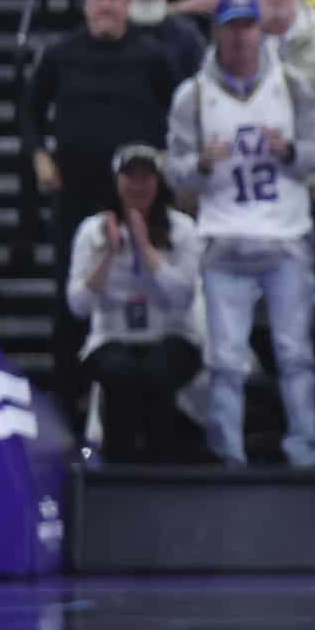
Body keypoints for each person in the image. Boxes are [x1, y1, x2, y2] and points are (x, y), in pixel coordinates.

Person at [165, 0, 315, 468]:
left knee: (294, 354)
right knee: (225, 360)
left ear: (260, 30)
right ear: (216, 31)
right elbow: (175, 173)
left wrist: (290, 153)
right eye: (231, 26)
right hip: (223, 239)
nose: (239, 37)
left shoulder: (294, 85)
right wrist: (200, 163)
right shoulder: (193, 96)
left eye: (247, 26)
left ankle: (304, 451)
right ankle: (228, 456)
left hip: (285, 237)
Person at [28, 0, 183, 413]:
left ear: (128, 1)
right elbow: (31, 109)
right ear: (85, 3)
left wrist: (172, 162)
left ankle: (149, 414)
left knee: (148, 297)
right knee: (70, 304)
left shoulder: (153, 55)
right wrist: (39, 154)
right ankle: (66, 408)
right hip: (77, 198)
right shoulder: (60, 53)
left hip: (140, 200)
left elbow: (178, 115)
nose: (107, 6)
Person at [65, 144, 202, 463]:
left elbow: (183, 297)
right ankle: (118, 463)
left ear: (158, 182)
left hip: (171, 335)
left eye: (146, 178)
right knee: (120, 372)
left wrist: (145, 249)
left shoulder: (182, 229)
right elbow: (78, 306)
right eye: (131, 177)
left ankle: (165, 461)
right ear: (117, 181)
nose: (138, 186)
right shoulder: (91, 231)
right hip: (113, 338)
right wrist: (109, 255)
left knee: (157, 369)